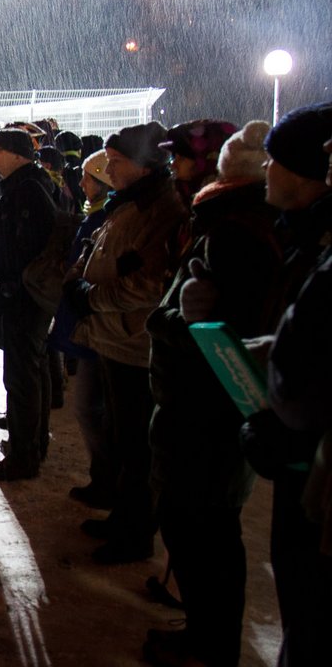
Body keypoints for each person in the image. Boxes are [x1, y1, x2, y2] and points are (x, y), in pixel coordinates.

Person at [141, 119, 280, 667]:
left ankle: (208, 644)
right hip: (199, 403)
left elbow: (226, 331)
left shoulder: (236, 231)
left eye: (181, 158)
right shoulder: (224, 220)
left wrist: (169, 321)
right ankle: (203, 632)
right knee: (195, 523)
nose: (172, 166)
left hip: (209, 408)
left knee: (205, 528)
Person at [233, 102, 332, 666]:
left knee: (313, 609)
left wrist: (280, 375)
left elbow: (310, 364)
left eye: (274, 161)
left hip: (312, 455)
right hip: (300, 452)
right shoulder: (301, 234)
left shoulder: (317, 244)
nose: (263, 171)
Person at [64, 121, 187, 563]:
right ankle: (123, 517)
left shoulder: (161, 208)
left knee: (137, 447)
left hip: (135, 341)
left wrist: (92, 297)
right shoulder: (132, 201)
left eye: (117, 163)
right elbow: (98, 249)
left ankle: (136, 534)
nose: (109, 170)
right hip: (114, 336)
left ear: (145, 164)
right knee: (120, 437)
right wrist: (80, 280)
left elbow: (149, 283)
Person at [0, 126, 59, 481]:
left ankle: (25, 455)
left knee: (22, 376)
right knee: (30, 371)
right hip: (24, 295)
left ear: (16, 154)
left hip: (25, 298)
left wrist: (12, 284)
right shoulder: (26, 186)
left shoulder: (29, 191)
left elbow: (34, 248)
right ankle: (31, 443)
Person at [52, 151, 117, 510]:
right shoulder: (98, 217)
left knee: (94, 410)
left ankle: (109, 480)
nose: (81, 184)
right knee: (92, 409)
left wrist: (81, 291)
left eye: (88, 179)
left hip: (100, 324)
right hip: (93, 322)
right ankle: (104, 478)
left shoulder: (106, 219)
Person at [159, 119, 237, 206]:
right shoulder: (178, 197)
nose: (173, 165)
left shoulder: (227, 207)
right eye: (174, 157)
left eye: (182, 158)